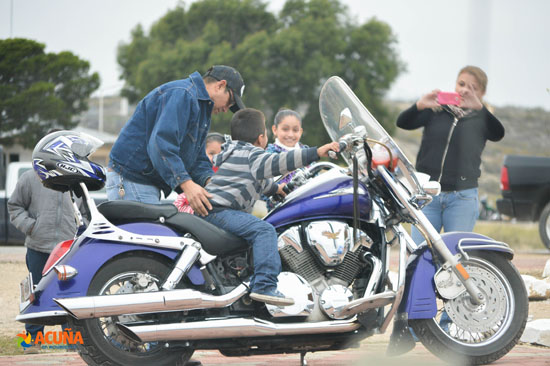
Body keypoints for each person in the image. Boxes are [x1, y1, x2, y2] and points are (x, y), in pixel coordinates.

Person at [202, 108, 339, 306]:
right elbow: (280, 162)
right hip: (221, 211)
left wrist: (276, 188)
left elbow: (254, 180)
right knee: (264, 230)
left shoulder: (234, 151)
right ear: (261, 138)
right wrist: (316, 152)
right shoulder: (253, 155)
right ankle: (265, 286)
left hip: (214, 211)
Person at [106, 65, 245, 217]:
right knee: (149, 239)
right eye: (230, 102)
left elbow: (197, 159)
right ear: (220, 85)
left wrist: (211, 182)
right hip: (131, 180)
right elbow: (161, 145)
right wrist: (187, 184)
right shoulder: (183, 95)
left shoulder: (200, 109)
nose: (226, 109)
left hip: (143, 183)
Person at [396, 65, 505, 244]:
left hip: (462, 198)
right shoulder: (437, 111)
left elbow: (498, 134)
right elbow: (402, 122)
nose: (464, 90)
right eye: (461, 84)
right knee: (420, 253)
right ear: (455, 85)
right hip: (428, 195)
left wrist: (479, 108)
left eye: (472, 88)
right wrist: (419, 105)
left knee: (455, 254)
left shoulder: (481, 119)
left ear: (482, 93)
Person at [8, 132, 80, 354]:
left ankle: (72, 342)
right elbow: (15, 207)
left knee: (69, 295)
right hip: (38, 248)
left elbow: (83, 210)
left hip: (68, 250)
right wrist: (31, 227)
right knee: (36, 294)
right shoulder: (30, 177)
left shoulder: (75, 179)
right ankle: (33, 341)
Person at [262, 108, 308, 210]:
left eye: (295, 130)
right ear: (275, 130)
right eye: (285, 129)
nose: (290, 134)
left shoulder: (307, 153)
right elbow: (262, 185)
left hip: (306, 206)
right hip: (280, 210)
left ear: (300, 132)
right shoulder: (269, 154)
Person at [173, 132, 225, 213]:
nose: (215, 158)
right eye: (211, 153)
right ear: (201, 154)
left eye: (220, 155)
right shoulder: (194, 174)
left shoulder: (225, 173)